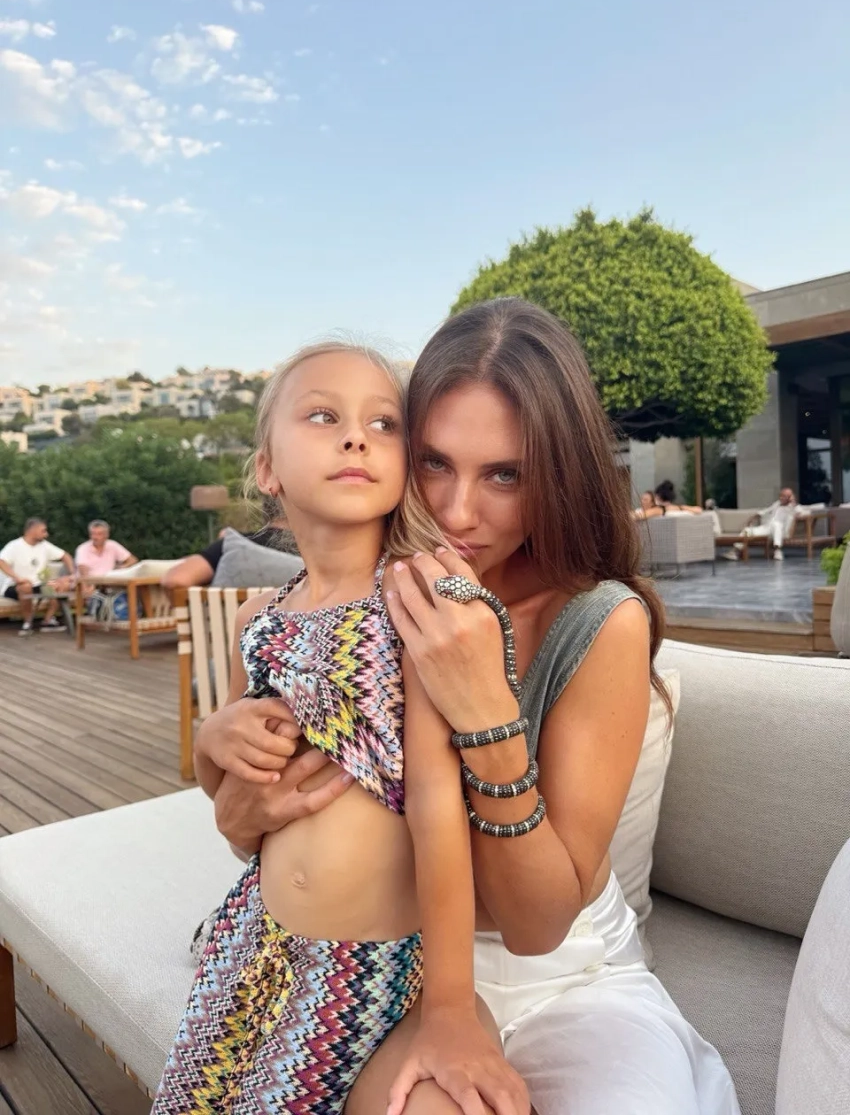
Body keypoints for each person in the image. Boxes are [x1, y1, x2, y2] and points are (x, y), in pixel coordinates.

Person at [197, 299, 742, 1115]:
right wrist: (229, 780)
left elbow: (535, 924)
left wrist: (486, 712)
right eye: (434, 462)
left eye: (504, 475)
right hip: (378, 961)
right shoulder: (346, 610)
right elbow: (272, 819)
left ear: (557, 475)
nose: (457, 512)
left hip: (558, 979)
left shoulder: (597, 621)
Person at [153, 342, 527, 1115]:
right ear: (267, 469)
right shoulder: (258, 621)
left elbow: (437, 809)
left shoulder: (420, 602)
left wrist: (450, 1005)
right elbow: (236, 806)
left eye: (383, 423)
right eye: (324, 416)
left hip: (379, 967)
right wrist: (211, 740)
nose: (356, 436)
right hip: (258, 948)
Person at [161, 495, 298, 591]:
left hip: (225, 624)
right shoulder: (309, 553)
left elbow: (175, 580)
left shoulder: (234, 545)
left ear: (264, 510)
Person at [0, 517, 75, 636]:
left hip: (38, 585)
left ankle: (48, 620)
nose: (46, 534)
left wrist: (72, 574)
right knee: (26, 586)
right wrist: (17, 578)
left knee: (62, 586)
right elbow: (1, 561)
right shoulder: (14, 546)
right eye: (43, 531)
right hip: (14, 586)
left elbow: (65, 556)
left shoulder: (45, 546)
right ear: (32, 530)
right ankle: (27, 623)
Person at [724, 487, 800, 561]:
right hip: (768, 529)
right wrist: (754, 517)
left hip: (781, 531)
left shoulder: (793, 508)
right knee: (747, 530)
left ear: (790, 497)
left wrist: (793, 503)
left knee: (776, 524)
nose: (781, 498)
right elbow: (766, 511)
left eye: (784, 496)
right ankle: (735, 552)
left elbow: (801, 512)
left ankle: (778, 550)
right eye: (780, 495)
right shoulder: (777, 504)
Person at [635, 479, 703, 519]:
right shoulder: (677, 508)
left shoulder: (658, 509)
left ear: (658, 497)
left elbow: (640, 516)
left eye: (645, 499)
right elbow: (699, 510)